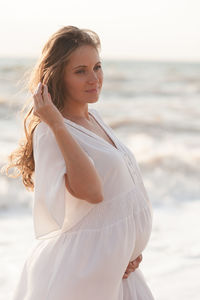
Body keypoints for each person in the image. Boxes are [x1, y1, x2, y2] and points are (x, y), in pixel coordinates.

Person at [5, 26, 154, 299]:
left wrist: (130, 250)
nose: (94, 78)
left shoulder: (95, 118)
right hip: (83, 272)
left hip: (117, 269)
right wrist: (56, 123)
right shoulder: (50, 132)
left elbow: (120, 195)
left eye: (97, 67)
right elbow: (92, 192)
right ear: (58, 78)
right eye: (80, 71)